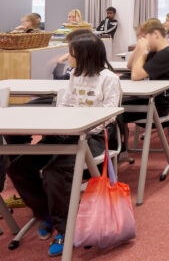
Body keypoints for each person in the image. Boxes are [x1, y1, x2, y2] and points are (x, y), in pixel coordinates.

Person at [7, 35, 120, 258]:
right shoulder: (75, 75)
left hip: (93, 138)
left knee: (54, 173)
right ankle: (46, 213)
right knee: (18, 168)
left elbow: (109, 116)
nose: (68, 57)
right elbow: (65, 104)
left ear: (85, 56)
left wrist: (81, 124)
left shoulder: (108, 79)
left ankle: (64, 230)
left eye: (71, 53)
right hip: (65, 133)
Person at [126, 19, 169, 121]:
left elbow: (135, 75)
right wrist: (138, 48)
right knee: (115, 107)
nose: (142, 41)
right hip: (152, 100)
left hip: (161, 107)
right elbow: (130, 65)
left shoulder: (167, 54)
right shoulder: (155, 51)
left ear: (156, 34)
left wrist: (143, 51)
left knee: (115, 112)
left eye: (144, 37)